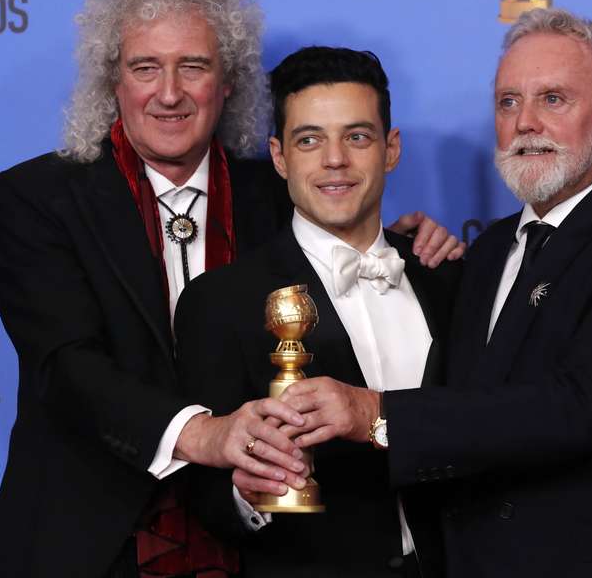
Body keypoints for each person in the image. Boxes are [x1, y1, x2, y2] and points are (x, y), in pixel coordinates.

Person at [0, 0, 461, 578]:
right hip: (92, 537)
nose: (170, 92)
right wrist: (205, 435)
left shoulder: (280, 187)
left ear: (228, 80)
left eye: (194, 66)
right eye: (145, 68)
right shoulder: (37, 197)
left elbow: (344, 254)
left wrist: (402, 245)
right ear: (114, 81)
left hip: (261, 545)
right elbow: (67, 366)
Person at [251, 8, 592, 577]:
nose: (525, 123)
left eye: (553, 99)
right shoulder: (488, 252)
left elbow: (580, 406)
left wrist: (376, 414)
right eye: (508, 102)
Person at [174, 46, 460, 578]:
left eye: (357, 136)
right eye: (310, 140)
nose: (335, 160)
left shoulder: (449, 279)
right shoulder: (220, 302)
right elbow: (200, 491)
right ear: (280, 157)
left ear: (391, 148)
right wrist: (244, 493)